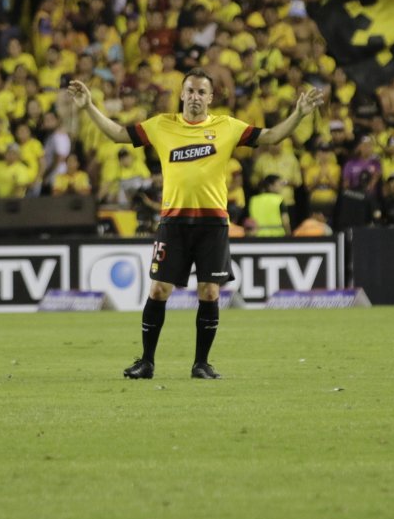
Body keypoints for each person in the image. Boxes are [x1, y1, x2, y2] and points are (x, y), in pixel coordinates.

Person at [67, 69, 322, 380]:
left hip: (212, 224)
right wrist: (89, 107)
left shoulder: (227, 126)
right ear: (182, 94)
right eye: (191, 91)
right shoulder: (162, 125)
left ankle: (201, 364)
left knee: (210, 292)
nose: (196, 97)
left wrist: (298, 114)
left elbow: (270, 136)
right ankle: (146, 361)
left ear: (210, 98)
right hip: (173, 222)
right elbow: (119, 134)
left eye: (202, 92)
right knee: (159, 290)